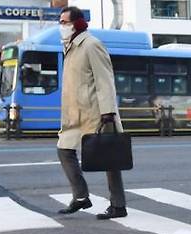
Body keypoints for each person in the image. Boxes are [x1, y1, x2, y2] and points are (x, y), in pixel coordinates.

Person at [56, 6, 127, 219]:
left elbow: (105, 81)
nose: (61, 26)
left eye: (64, 22)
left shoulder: (91, 45)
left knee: (109, 158)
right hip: (73, 115)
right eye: (60, 22)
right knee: (64, 150)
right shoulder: (69, 46)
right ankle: (81, 197)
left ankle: (118, 206)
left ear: (77, 24)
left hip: (95, 114)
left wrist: (108, 113)